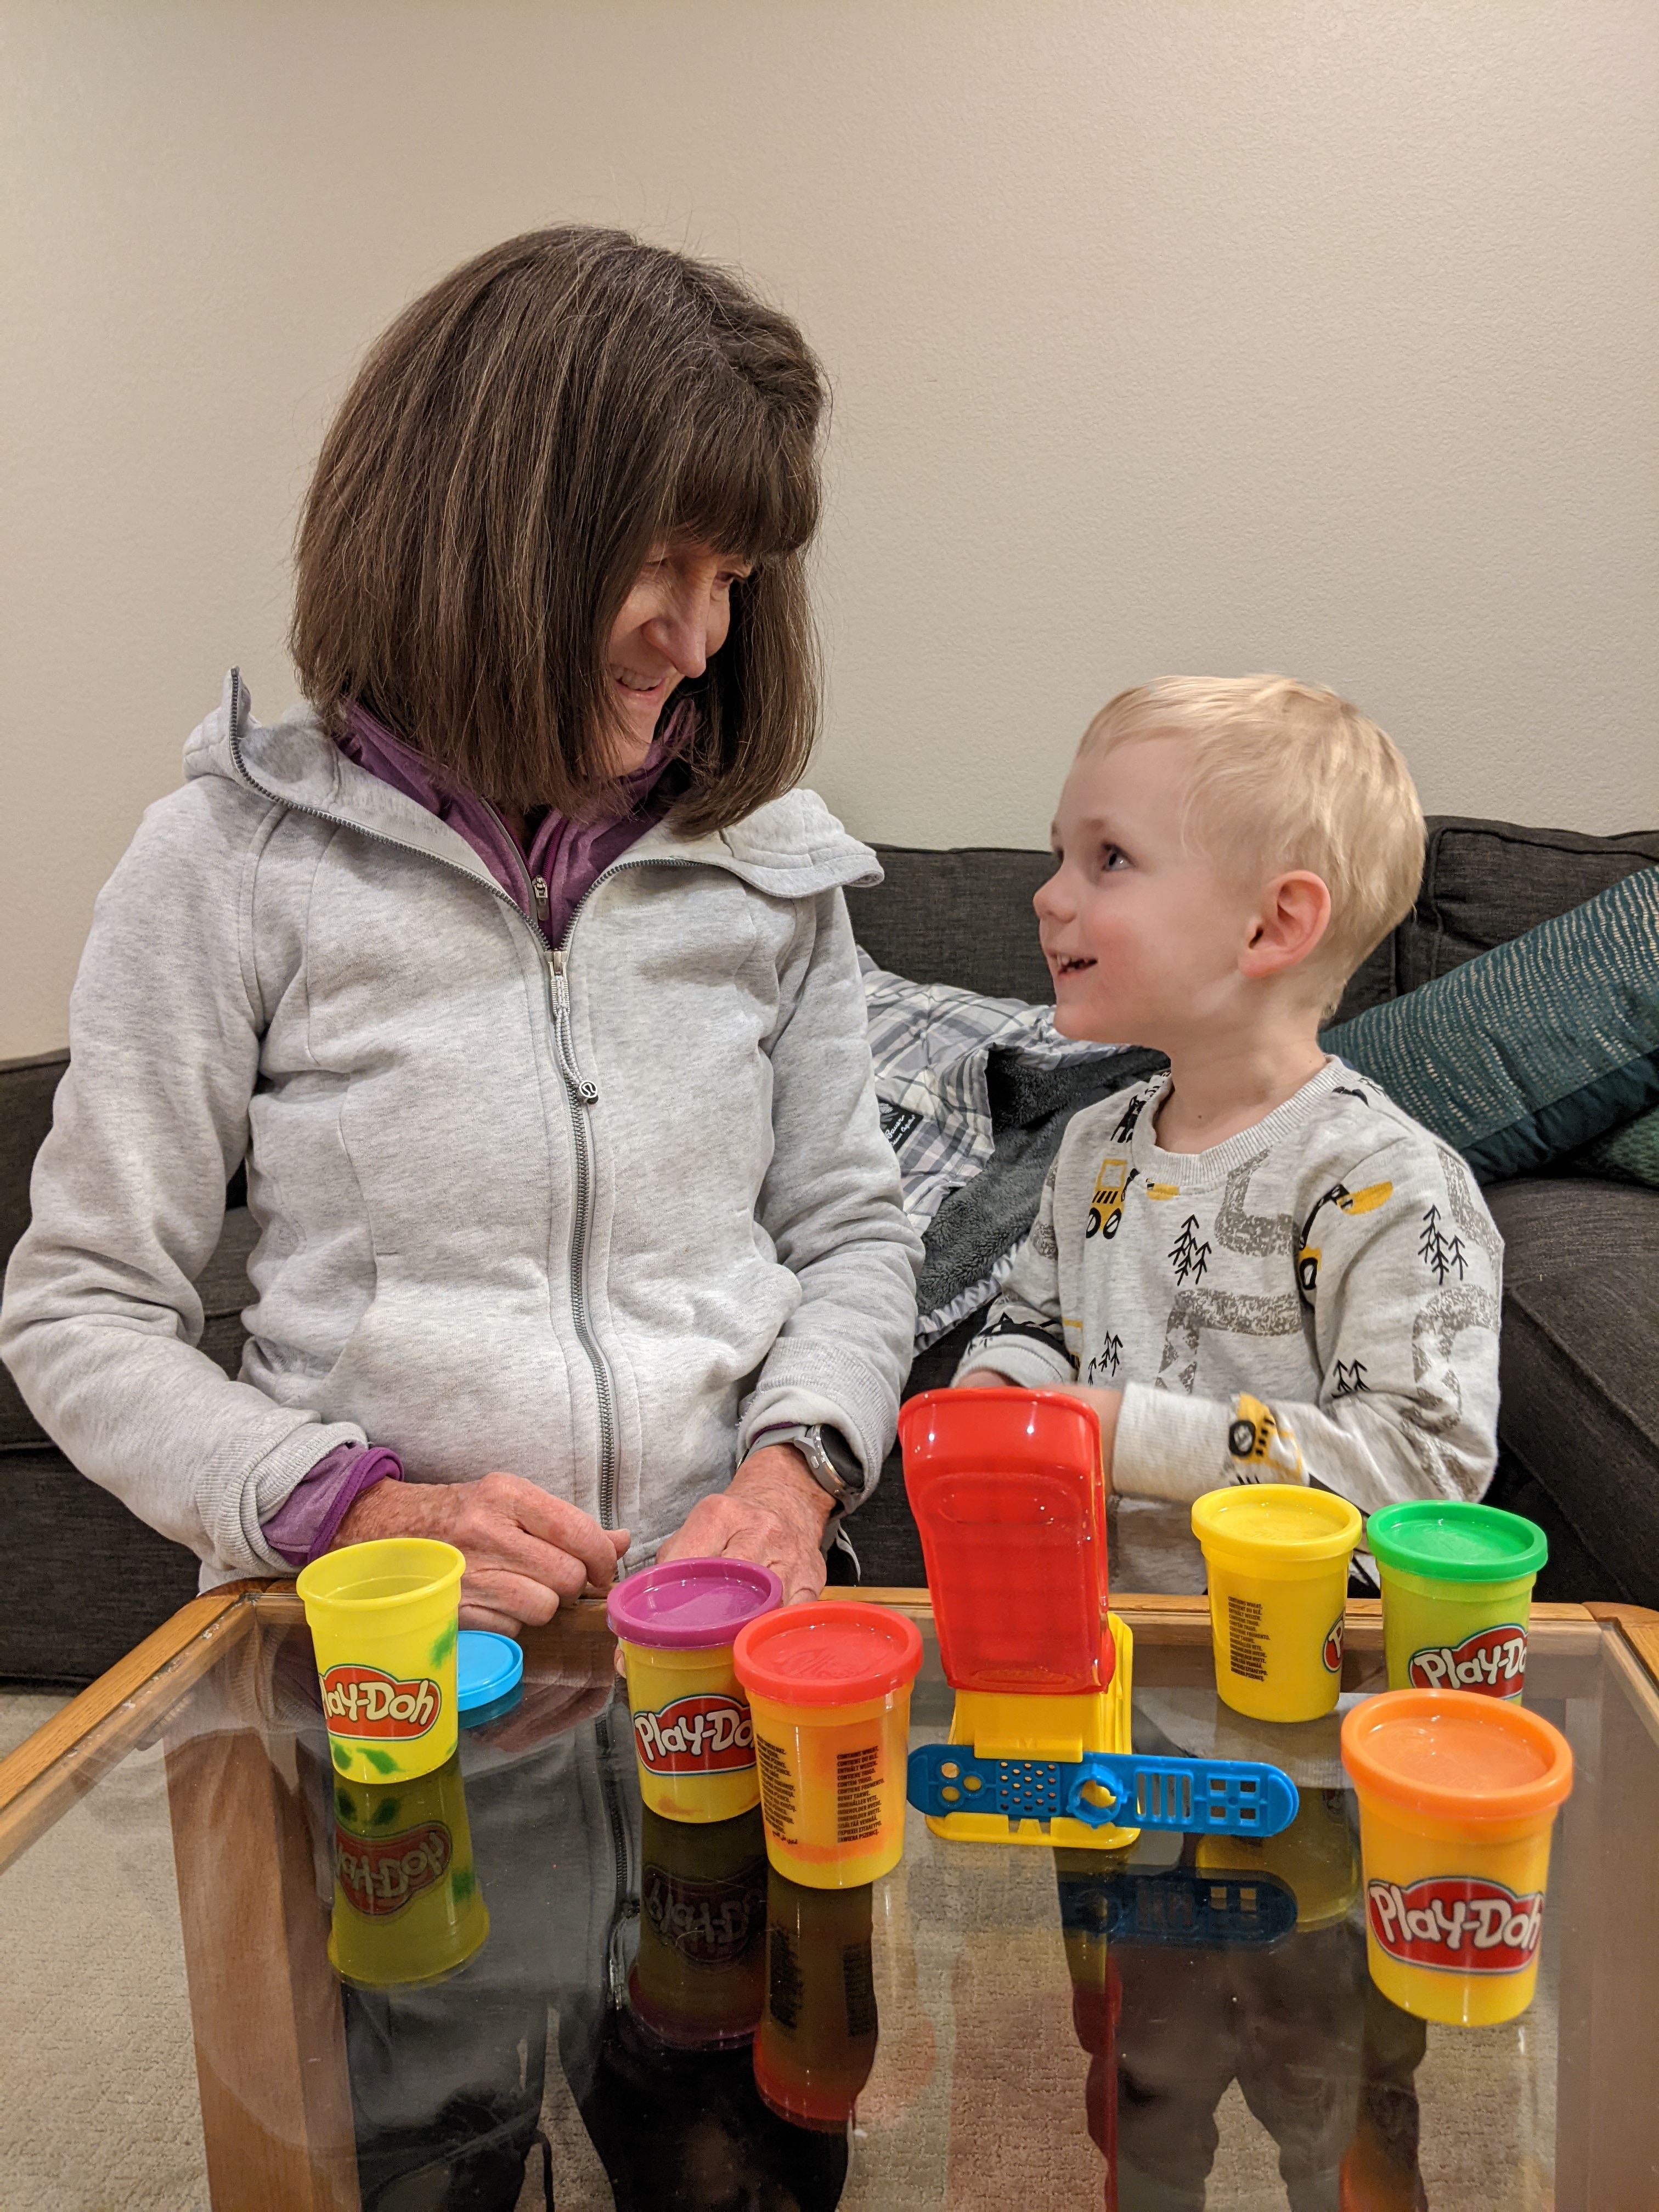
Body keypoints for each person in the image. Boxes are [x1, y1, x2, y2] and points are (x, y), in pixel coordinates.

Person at [1, 225, 922, 1628]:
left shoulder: (776, 866)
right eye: (662, 565)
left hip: (729, 1634)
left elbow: (852, 1234)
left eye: (732, 577)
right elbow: (81, 1308)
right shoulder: (226, 859)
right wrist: (358, 1512)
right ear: (487, 544)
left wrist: (795, 1482)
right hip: (378, 1653)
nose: (700, 640)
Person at [952, 676, 1501, 1585]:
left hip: (1304, 1680)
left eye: (1110, 859)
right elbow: (1035, 1321)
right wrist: (996, 1389)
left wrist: (1122, 1435)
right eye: (1059, 856)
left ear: (1274, 925)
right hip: (1103, 1648)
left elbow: (1424, 1469)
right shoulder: (1095, 1145)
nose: (1048, 897)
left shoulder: (1389, 1180)